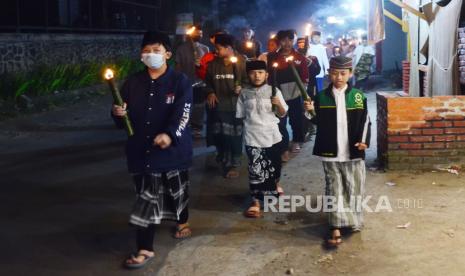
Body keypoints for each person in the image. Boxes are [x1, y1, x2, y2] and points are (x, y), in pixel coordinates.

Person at [112, 31, 193, 269]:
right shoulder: (132, 83)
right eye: (146, 51)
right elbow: (121, 116)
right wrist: (118, 114)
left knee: (176, 190)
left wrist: (169, 134)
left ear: (167, 54)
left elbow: (183, 113)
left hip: (172, 151)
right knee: (146, 199)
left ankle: (181, 220)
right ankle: (144, 247)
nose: (151, 55)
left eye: (156, 51)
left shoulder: (180, 82)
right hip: (143, 151)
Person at [303, 56, 371, 248]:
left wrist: (364, 141)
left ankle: (353, 220)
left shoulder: (358, 95)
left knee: (354, 187)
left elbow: (366, 120)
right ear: (329, 73)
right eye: (334, 73)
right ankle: (335, 225)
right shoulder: (322, 96)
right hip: (330, 150)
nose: (339, 77)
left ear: (350, 73)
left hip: (353, 151)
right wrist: (309, 111)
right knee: (334, 188)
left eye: (343, 73)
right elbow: (317, 121)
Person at [236, 60, 288, 218]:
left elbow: (282, 113)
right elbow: (240, 115)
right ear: (248, 75)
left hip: (272, 135)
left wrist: (278, 104)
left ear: (266, 74)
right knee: (256, 169)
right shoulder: (244, 93)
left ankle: (275, 184)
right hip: (253, 135)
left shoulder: (274, 91)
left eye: (260, 72)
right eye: (252, 73)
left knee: (274, 166)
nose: (256, 76)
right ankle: (256, 202)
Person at [205, 33, 247, 178]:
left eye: (218, 48)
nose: (216, 51)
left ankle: (234, 164)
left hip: (236, 107)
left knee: (234, 137)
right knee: (221, 136)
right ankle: (224, 158)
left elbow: (250, 81)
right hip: (219, 107)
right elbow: (208, 82)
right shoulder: (213, 64)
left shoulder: (242, 62)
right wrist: (210, 92)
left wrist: (242, 87)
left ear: (228, 48)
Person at [267, 30, 309, 162]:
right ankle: (283, 148)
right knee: (280, 122)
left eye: (290, 40)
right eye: (284, 40)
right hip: (279, 95)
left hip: (295, 94)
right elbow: (269, 76)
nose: (287, 43)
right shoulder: (272, 57)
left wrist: (303, 89)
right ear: (279, 41)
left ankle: (297, 140)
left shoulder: (299, 57)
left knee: (296, 119)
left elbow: (304, 76)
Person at [176, 24, 209, 138]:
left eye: (200, 34)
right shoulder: (181, 48)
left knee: (199, 106)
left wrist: (201, 66)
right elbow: (178, 66)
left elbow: (207, 67)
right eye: (196, 33)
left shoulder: (205, 48)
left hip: (200, 82)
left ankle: (197, 127)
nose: (199, 35)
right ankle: (185, 126)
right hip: (186, 81)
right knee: (186, 105)